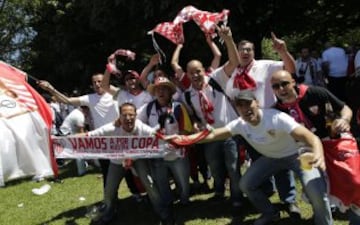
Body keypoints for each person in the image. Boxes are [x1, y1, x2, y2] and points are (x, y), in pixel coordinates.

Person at [167, 89, 333, 225]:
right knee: (246, 184)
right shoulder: (239, 124)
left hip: (296, 155)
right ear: (237, 109)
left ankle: (324, 222)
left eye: (248, 103)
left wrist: (318, 154)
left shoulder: (276, 117)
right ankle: (270, 213)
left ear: (257, 103)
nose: (245, 108)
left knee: (315, 191)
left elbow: (311, 138)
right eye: (240, 105)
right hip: (271, 158)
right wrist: (183, 139)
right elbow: (213, 135)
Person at [224, 33, 300, 217]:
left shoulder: (266, 65)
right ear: (237, 51)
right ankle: (266, 192)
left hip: (270, 120)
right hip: (249, 123)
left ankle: (289, 200)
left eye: (249, 49)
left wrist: (283, 51)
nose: (245, 52)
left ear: (253, 52)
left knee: (280, 159)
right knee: (258, 159)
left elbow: (290, 69)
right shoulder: (232, 72)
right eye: (242, 49)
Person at [271, 70, 360, 225]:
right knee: (315, 188)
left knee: (354, 181)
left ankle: (356, 218)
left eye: (284, 84)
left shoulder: (315, 93)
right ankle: (323, 218)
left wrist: (344, 119)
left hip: (334, 141)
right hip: (306, 150)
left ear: (293, 82)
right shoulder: (277, 110)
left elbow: (345, 109)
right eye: (276, 86)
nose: (281, 89)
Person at [179, 25, 243, 208]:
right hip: (210, 135)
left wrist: (229, 39)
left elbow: (234, 62)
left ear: (202, 70)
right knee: (215, 167)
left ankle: (237, 196)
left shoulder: (216, 79)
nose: (196, 75)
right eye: (192, 73)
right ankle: (219, 192)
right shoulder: (186, 95)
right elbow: (193, 118)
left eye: (198, 70)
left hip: (229, 131)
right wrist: (197, 124)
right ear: (188, 75)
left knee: (233, 167)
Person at [81, 103, 170, 224]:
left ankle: (162, 213)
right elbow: (89, 136)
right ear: (119, 117)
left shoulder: (141, 127)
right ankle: (108, 215)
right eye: (125, 115)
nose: (128, 118)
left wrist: (170, 138)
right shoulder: (111, 128)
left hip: (137, 159)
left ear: (136, 115)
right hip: (117, 161)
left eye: (131, 115)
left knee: (149, 183)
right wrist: (64, 140)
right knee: (109, 189)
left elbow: (156, 136)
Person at [38, 73, 119, 194]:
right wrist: (50, 88)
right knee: (107, 173)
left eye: (100, 81)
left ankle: (136, 196)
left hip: (120, 139)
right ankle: (110, 202)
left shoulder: (116, 95)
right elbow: (67, 101)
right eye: (94, 82)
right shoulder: (90, 98)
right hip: (102, 143)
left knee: (128, 171)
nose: (97, 84)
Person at [137, 76, 193, 211]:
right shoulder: (148, 108)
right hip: (157, 154)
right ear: (154, 92)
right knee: (161, 181)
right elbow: (137, 122)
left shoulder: (178, 107)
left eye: (164, 89)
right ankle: (168, 203)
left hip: (177, 152)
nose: (161, 92)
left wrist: (176, 140)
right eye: (158, 89)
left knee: (183, 180)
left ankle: (184, 200)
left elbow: (186, 129)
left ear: (169, 92)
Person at [59, 105, 90, 176]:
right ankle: (82, 171)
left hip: (67, 132)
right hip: (67, 134)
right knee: (79, 151)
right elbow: (81, 132)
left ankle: (84, 165)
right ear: (85, 109)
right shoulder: (79, 116)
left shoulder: (76, 112)